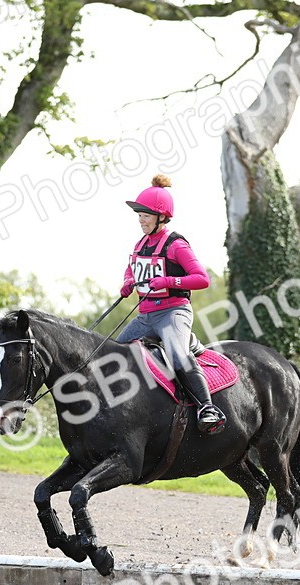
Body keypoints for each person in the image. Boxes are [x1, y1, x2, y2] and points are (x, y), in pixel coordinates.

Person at [116, 174, 227, 434]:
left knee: (178, 355)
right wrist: (127, 282)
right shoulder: (140, 244)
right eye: (139, 215)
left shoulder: (176, 244)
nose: (140, 219)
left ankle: (207, 408)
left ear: (160, 217)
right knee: (114, 353)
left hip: (173, 312)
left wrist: (167, 280)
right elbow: (130, 269)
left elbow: (202, 279)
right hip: (145, 316)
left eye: (145, 215)